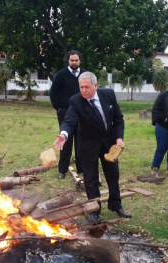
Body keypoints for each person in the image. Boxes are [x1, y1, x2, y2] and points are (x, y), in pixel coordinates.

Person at [53, 72, 130, 222]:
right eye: (81, 87)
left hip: (109, 144)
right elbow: (69, 121)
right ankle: (94, 209)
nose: (83, 90)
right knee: (90, 179)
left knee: (113, 175)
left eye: (86, 87)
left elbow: (118, 119)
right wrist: (64, 134)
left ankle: (115, 205)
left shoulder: (108, 95)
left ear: (95, 85)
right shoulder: (75, 101)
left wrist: (119, 138)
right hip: (88, 144)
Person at [49, 50, 85, 179]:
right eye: (72, 60)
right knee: (65, 140)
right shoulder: (61, 75)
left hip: (82, 113)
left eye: (76, 60)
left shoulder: (85, 74)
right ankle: (62, 170)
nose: (74, 62)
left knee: (81, 141)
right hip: (65, 112)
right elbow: (53, 93)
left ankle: (81, 168)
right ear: (68, 61)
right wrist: (59, 108)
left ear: (80, 60)